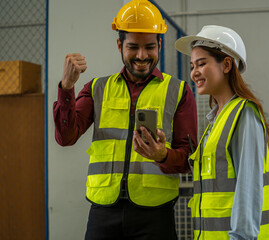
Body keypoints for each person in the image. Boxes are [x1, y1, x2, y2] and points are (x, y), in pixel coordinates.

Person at [53, 0, 197, 239]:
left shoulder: (179, 91)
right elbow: (65, 138)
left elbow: (188, 160)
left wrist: (162, 155)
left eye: (150, 47)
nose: (142, 55)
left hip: (155, 214)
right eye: (133, 47)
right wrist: (67, 87)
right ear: (119, 44)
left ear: (160, 45)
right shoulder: (98, 88)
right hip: (103, 211)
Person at [175, 25, 269, 239]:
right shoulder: (216, 121)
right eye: (192, 65)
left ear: (227, 65)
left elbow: (248, 189)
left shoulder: (244, 114)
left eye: (201, 64)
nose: (194, 72)